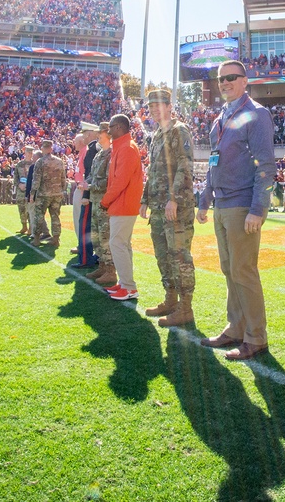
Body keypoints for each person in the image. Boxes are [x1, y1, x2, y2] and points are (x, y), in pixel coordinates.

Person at [197, 60, 276, 361]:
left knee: (243, 271)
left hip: (243, 205)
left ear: (245, 81)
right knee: (229, 269)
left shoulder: (256, 114)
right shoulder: (221, 118)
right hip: (222, 204)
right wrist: (205, 197)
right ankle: (235, 328)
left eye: (231, 77)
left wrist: (258, 208)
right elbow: (213, 162)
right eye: (221, 79)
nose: (225, 83)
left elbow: (266, 166)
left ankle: (256, 337)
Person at [140, 90, 197, 327]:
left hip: (176, 207)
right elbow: (153, 171)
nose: (153, 109)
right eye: (150, 105)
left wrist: (174, 198)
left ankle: (185, 307)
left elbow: (185, 167)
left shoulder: (179, 131)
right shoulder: (156, 135)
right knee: (163, 255)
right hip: (158, 207)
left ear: (169, 105)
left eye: (157, 105)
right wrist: (145, 199)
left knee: (179, 256)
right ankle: (170, 299)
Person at [100, 114, 144, 301]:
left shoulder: (126, 148)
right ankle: (125, 283)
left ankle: (129, 287)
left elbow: (120, 181)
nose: (108, 130)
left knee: (117, 244)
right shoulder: (124, 147)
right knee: (122, 244)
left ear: (118, 127)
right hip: (123, 204)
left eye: (110, 126)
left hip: (123, 204)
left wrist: (105, 201)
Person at [85, 123, 117, 286]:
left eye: (100, 133)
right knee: (96, 236)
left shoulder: (112, 155)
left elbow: (109, 181)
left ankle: (111, 271)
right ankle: (102, 266)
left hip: (105, 202)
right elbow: (91, 175)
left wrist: (90, 186)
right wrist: (86, 183)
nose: (98, 135)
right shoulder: (99, 155)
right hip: (96, 201)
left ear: (108, 134)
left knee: (105, 237)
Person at [69, 126, 100, 269]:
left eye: (86, 134)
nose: (85, 137)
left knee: (85, 224)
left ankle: (86, 257)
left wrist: (86, 193)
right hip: (86, 189)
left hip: (87, 190)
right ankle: (86, 253)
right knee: (84, 223)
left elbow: (89, 173)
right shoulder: (89, 150)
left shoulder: (92, 150)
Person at [30, 140, 66, 249]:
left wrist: (32, 194)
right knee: (55, 216)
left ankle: (36, 239)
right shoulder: (59, 161)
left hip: (43, 194)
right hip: (56, 193)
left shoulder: (40, 162)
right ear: (51, 148)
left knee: (39, 216)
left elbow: (36, 180)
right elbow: (63, 178)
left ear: (43, 149)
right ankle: (56, 238)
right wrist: (62, 190)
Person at [13, 147, 34, 234]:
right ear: (25, 153)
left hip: (30, 191)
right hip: (20, 191)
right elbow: (15, 177)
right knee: (21, 209)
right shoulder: (19, 164)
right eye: (27, 152)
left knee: (30, 209)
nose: (29, 153)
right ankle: (24, 226)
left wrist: (29, 185)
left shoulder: (35, 164)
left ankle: (31, 228)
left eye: (31, 152)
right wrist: (18, 184)